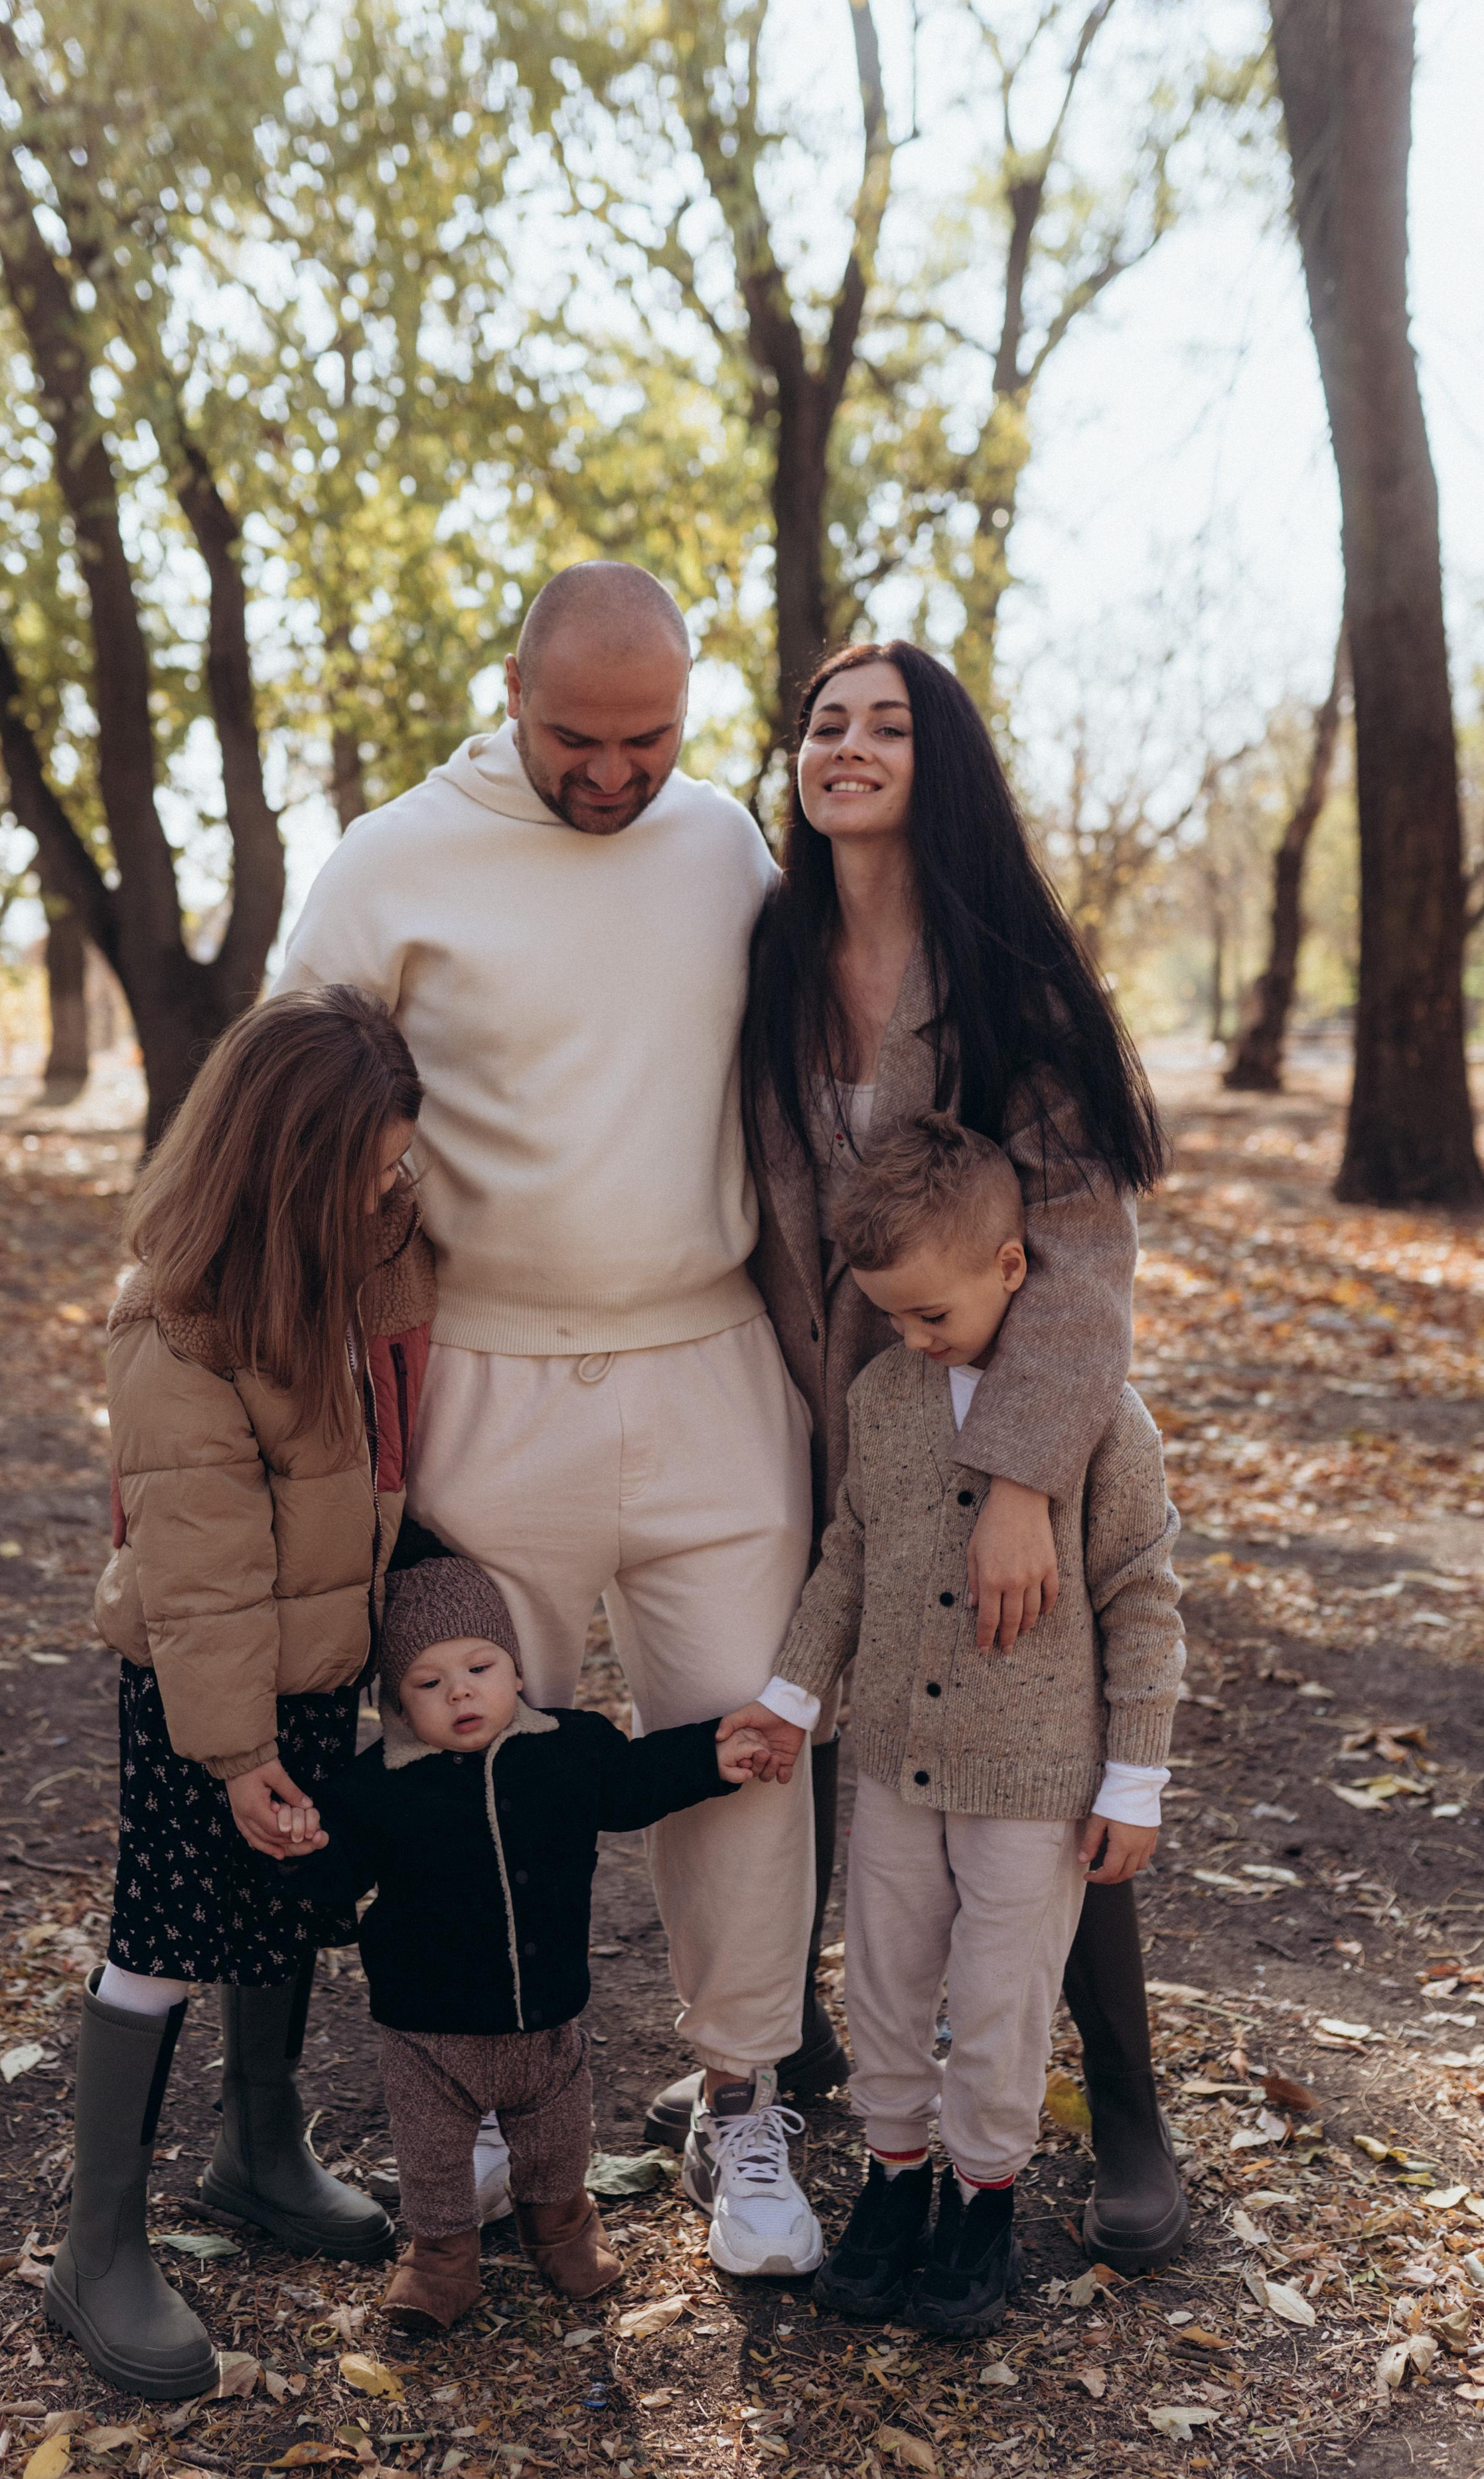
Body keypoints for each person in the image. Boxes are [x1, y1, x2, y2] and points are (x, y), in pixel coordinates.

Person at [273, 562, 824, 2280]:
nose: (611, 773)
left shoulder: (728, 840)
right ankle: (506, 2126)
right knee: (472, 1768)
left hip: (712, 1363)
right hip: (487, 1380)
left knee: (743, 1743)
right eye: (574, 737)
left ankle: (748, 2110)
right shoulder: (389, 862)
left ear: (692, 706)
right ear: (506, 691)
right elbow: (274, 1111)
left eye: (647, 737)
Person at [721, 638, 1190, 2280]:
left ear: (946, 763)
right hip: (817, 1402)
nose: (844, 744)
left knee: (1021, 1728)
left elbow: (1078, 1241)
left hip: (1000, 1412)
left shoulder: (1009, 978)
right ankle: (846, 2108)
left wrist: (1015, 1479)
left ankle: (1118, 2109)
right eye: (820, 722)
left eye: (885, 723)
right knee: (869, 1745)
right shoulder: (766, 955)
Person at [727, 1114, 1185, 2333]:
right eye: (890, 1316)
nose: (911, 1338)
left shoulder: (1100, 1421)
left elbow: (1143, 1602)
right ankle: (893, 2179)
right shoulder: (884, 1401)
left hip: (1034, 1790)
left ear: (1012, 1267)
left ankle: (985, 2195)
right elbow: (848, 1563)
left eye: (933, 1315)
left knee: (999, 2003)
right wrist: (790, 1693)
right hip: (892, 1768)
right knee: (882, 1984)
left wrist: (1134, 1778)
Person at [46, 986, 433, 2401]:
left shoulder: (366, 1252)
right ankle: (97, 2250)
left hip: (317, 1660)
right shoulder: (180, 1313)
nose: (396, 1191)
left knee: (284, 1904)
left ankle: (259, 2149)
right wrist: (232, 1752)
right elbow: (196, 1565)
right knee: (163, 1931)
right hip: (197, 1692)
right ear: (287, 1167)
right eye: (374, 1168)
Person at [276, 1555, 773, 2332]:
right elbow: (337, 1878)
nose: (461, 1691)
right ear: (397, 1704)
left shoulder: (566, 1750)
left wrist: (708, 1756)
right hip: (427, 2032)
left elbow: (635, 1781)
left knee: (555, 2140)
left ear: (514, 1668)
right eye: (428, 1683)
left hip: (546, 2018)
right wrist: (302, 1850)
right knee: (433, 2161)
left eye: (479, 1666)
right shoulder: (376, 1786)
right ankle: (441, 2261)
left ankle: (563, 2228)